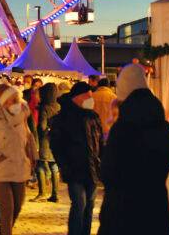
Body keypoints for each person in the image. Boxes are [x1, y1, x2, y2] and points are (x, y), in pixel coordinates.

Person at [98, 63, 169, 235]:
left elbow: (108, 171)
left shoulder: (122, 129)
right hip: (154, 206)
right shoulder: (163, 127)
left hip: (123, 209)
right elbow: (167, 163)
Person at [0, 84, 37, 235]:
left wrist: (32, 155)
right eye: (12, 100)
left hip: (20, 167)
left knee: (17, 206)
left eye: (17, 99)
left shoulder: (23, 114)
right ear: (4, 102)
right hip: (1, 169)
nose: (16, 103)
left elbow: (28, 137)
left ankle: (3, 231)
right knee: (7, 208)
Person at [50, 82, 101, 235]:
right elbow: (56, 145)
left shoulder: (93, 116)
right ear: (78, 97)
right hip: (74, 169)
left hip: (92, 168)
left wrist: (100, 160)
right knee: (79, 203)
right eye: (88, 96)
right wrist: (64, 165)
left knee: (90, 204)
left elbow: (100, 141)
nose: (91, 99)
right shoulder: (64, 117)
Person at [32, 82, 60, 202]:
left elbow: (42, 126)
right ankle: (55, 194)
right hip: (56, 140)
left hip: (45, 141)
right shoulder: (59, 106)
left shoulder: (45, 107)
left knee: (40, 167)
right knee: (54, 167)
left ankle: (42, 192)